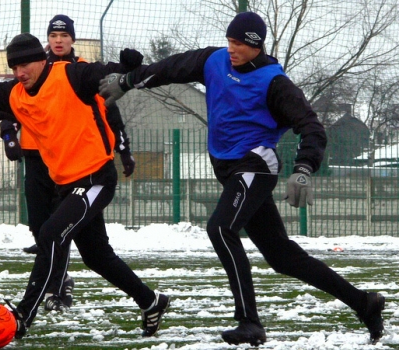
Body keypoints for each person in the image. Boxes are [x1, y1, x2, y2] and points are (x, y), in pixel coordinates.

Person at [99, 11, 385, 346]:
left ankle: (250, 322)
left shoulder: (275, 83)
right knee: (282, 257)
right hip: (230, 169)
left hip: (255, 164)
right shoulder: (214, 60)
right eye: (229, 41)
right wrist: (128, 80)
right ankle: (364, 303)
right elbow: (170, 68)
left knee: (220, 228)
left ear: (256, 46)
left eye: (238, 44)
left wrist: (304, 168)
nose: (231, 49)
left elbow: (311, 126)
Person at [0, 32, 169, 340]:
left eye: (25, 65)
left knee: (50, 233)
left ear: (41, 59)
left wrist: (126, 65)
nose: (20, 73)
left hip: (96, 178)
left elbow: (103, 72)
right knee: (97, 256)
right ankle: (151, 302)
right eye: (14, 67)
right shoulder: (16, 93)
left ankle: (23, 316)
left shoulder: (71, 74)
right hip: (67, 184)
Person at [0, 14, 136, 312]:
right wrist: (9, 133)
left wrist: (123, 149)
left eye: (64, 35)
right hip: (39, 160)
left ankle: (50, 293)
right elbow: (9, 101)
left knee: (57, 231)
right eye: (53, 35)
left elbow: (109, 110)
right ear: (46, 40)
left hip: (81, 166)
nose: (58, 40)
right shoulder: (31, 68)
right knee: (43, 228)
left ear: (72, 39)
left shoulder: (79, 72)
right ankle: (59, 282)